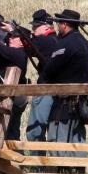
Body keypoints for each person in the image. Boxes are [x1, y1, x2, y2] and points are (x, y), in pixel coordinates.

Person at [43, 10, 88, 165]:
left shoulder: (65, 44)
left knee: (58, 135)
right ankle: (77, 169)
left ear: (65, 25)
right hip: (82, 100)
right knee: (77, 137)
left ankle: (60, 170)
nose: (58, 27)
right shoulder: (86, 44)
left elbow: (49, 70)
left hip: (64, 101)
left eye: (60, 23)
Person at [25, 10, 58, 145]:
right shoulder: (56, 40)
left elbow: (25, 47)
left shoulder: (45, 41)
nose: (33, 31)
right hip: (54, 90)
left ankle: (38, 163)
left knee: (35, 132)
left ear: (46, 26)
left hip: (45, 90)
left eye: (35, 27)